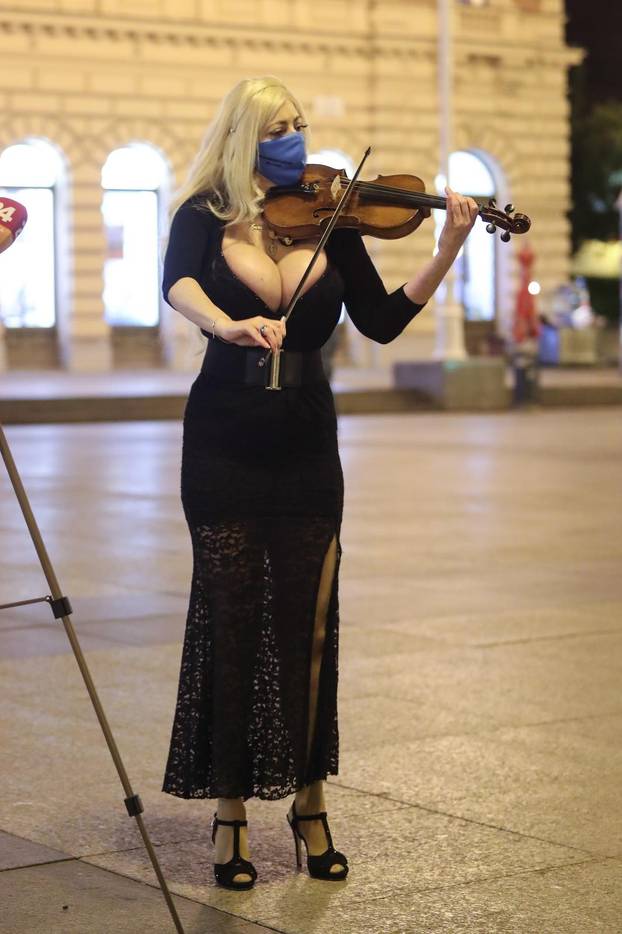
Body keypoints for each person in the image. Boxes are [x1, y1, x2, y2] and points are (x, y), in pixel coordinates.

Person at [160, 75, 478, 890]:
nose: (295, 137)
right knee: (231, 623)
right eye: (279, 126)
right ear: (244, 134)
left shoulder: (333, 214)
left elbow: (377, 318)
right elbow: (178, 286)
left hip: (306, 438)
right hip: (224, 433)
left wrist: (444, 251)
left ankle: (309, 803)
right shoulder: (202, 214)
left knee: (310, 627)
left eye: (299, 122)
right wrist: (226, 323)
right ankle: (229, 811)